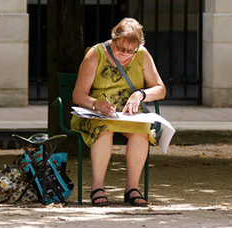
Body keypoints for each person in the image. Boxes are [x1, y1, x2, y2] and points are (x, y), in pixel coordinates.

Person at [71, 17, 166, 207]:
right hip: (97, 113)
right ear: (113, 40)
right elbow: (78, 95)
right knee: (104, 130)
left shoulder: (142, 54)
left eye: (130, 51)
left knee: (141, 132)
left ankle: (132, 189)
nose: (124, 55)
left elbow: (160, 89)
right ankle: (97, 187)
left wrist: (140, 94)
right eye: (120, 49)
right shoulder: (95, 54)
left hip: (129, 113)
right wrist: (97, 104)